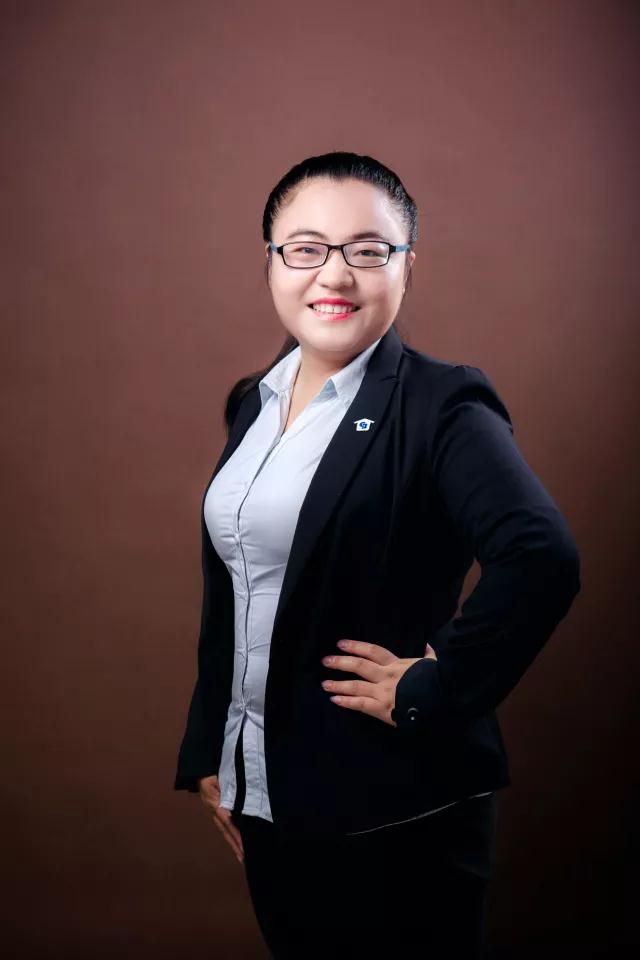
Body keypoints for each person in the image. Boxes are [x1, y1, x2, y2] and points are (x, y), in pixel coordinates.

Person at [173, 151, 581, 958]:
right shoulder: (253, 401)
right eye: (306, 248)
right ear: (272, 261)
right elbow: (237, 586)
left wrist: (436, 685)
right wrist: (210, 747)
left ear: (406, 266)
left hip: (393, 811)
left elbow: (540, 556)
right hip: (268, 801)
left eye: (367, 249)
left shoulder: (443, 404)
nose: (335, 273)